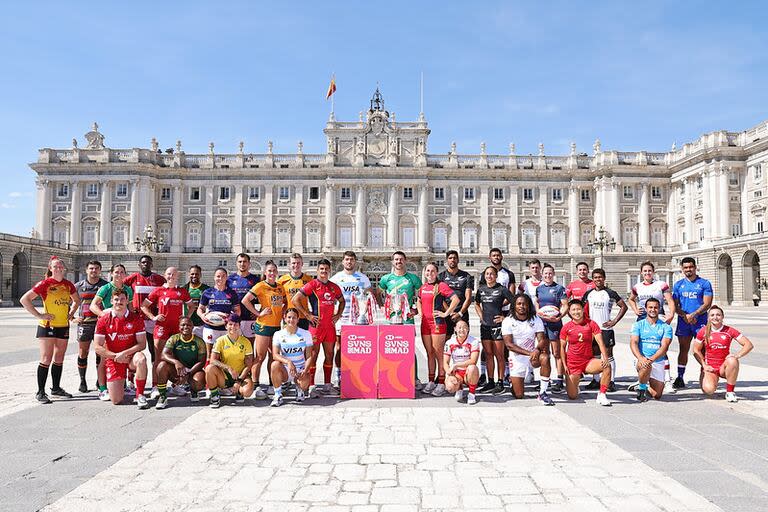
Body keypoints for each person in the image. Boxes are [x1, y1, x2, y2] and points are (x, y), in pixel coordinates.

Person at [20, 257, 81, 404]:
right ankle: (40, 392)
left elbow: (77, 300)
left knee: (59, 358)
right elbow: (25, 300)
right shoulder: (45, 284)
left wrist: (71, 314)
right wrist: (39, 315)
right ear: (50, 268)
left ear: (64, 268)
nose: (59, 268)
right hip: (47, 326)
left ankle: (56, 388)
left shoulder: (68, 285)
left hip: (63, 326)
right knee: (46, 359)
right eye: (55, 266)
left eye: (61, 265)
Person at [293, 259, 344, 397]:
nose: (324, 271)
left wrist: (338, 314)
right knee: (313, 356)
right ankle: (311, 386)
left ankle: (327, 385)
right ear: (317, 271)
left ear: (330, 270)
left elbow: (342, 301)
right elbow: (295, 299)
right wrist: (307, 314)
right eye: (321, 269)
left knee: (329, 355)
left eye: (326, 269)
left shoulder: (334, 286)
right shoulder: (313, 284)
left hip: (329, 326)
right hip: (315, 326)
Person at [93, 288, 150, 409]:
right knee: (116, 400)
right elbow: (97, 347)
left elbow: (142, 344)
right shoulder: (104, 319)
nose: (119, 302)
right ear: (111, 301)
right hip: (114, 359)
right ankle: (117, 385)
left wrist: (124, 354)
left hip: (130, 357)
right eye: (116, 299)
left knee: (141, 359)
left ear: (127, 300)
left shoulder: (136, 318)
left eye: (122, 299)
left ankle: (140, 395)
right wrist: (116, 356)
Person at [141, 267, 193, 399]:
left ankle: (175, 385)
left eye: (174, 274)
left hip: (176, 329)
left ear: (178, 276)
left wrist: (186, 317)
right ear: (165, 275)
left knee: (176, 358)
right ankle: (155, 386)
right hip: (161, 328)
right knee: (158, 358)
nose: (171, 276)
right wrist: (153, 317)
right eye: (169, 274)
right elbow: (143, 305)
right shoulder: (158, 290)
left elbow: (192, 306)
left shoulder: (182, 291)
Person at [627, 261, 676, 392]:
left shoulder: (660, 285)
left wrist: (671, 315)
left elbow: (670, 300)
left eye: (650, 270)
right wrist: (635, 310)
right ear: (641, 273)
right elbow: (631, 299)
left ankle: (667, 380)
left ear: (653, 272)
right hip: (643, 318)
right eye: (645, 271)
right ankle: (643, 379)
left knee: (661, 349)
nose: (647, 273)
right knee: (643, 348)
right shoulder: (637, 286)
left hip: (659, 317)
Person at [376, 251, 423, 387]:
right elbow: (378, 292)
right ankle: (391, 377)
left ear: (405, 260)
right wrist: (381, 305)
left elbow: (422, 294)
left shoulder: (412, 278)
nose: (398, 262)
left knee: (409, 349)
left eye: (401, 259)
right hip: (392, 319)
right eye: (396, 259)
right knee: (392, 348)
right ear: (392, 262)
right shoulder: (386, 279)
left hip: (407, 318)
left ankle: (415, 378)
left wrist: (415, 309)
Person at [241, 260, 286, 399]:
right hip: (263, 325)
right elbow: (245, 300)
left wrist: (283, 313)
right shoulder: (260, 286)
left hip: (277, 326)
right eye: (269, 271)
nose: (272, 273)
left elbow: (285, 303)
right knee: (260, 357)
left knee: (274, 357)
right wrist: (258, 313)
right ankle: (256, 385)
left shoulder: (280, 287)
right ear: (265, 273)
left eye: (274, 270)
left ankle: (273, 384)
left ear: (277, 272)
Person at [90, 263, 135, 400]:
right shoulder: (105, 288)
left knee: (126, 355)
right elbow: (93, 305)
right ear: (111, 274)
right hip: (109, 325)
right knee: (104, 357)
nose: (119, 274)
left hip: (124, 324)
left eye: (122, 272)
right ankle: (102, 388)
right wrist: (104, 316)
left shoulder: (128, 289)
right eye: (116, 272)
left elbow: (131, 308)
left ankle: (124, 385)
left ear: (125, 274)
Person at [501, 293, 554, 405]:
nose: (522, 306)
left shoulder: (536, 319)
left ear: (529, 306)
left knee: (544, 358)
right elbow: (509, 345)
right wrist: (529, 352)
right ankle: (513, 381)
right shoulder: (508, 321)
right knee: (519, 395)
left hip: (533, 356)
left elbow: (542, 340)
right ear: (514, 306)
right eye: (519, 304)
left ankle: (543, 393)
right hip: (517, 357)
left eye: (524, 304)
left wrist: (537, 350)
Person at [416, 262, 460, 396]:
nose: (430, 273)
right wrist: (420, 313)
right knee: (429, 353)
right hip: (425, 324)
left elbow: (456, 299)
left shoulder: (441, 286)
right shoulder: (423, 287)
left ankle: (441, 383)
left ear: (437, 273)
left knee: (438, 354)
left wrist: (446, 314)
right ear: (424, 273)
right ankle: (431, 382)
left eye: (433, 271)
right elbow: (419, 300)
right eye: (427, 271)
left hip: (437, 323)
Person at [693, 306, 753, 402]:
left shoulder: (729, 330)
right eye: (712, 315)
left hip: (723, 367)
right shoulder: (703, 331)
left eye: (718, 315)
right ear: (708, 317)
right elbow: (696, 350)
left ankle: (730, 392)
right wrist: (704, 365)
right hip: (710, 367)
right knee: (709, 391)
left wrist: (737, 355)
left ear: (722, 317)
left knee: (733, 360)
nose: (715, 317)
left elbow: (748, 345)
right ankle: (709, 377)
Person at [581, 268, 627, 392]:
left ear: (604, 278)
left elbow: (624, 306)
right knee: (595, 355)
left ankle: (611, 381)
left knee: (608, 355)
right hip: (592, 330)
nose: (598, 279)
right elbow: (580, 308)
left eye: (600, 277)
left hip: (606, 329)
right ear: (593, 279)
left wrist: (614, 321)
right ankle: (596, 380)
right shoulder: (588, 294)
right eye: (595, 277)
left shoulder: (610, 293)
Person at [330, 251, 372, 387]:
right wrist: (335, 313)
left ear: (355, 262)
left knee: (359, 347)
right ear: (343, 262)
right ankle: (338, 375)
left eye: (352, 260)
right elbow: (330, 298)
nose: (349, 262)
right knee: (339, 347)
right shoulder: (336, 278)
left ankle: (359, 374)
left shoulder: (363, 278)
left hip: (358, 319)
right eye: (347, 259)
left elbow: (369, 297)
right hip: (342, 318)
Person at [559, 300, 612, 406]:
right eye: (573, 310)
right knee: (572, 396)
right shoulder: (566, 327)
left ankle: (602, 394)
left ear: (583, 310)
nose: (576, 312)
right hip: (573, 363)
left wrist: (605, 358)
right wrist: (564, 366)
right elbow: (562, 348)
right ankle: (575, 382)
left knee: (607, 366)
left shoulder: (591, 324)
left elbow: (600, 342)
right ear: (569, 312)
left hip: (588, 361)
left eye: (578, 309)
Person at [124, 254, 166, 388]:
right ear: (139, 265)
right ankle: (130, 380)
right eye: (143, 262)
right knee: (133, 350)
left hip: (153, 321)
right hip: (137, 320)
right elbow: (119, 288)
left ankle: (156, 382)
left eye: (148, 262)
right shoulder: (133, 278)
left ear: (152, 265)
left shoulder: (159, 279)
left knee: (155, 351)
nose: (145, 264)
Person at [671, 257, 713, 389]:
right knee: (683, 349)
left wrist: (694, 314)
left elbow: (707, 303)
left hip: (700, 321)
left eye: (690, 267)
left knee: (704, 349)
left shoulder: (705, 283)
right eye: (685, 267)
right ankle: (680, 377)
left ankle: (706, 375)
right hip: (684, 321)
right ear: (682, 269)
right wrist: (685, 315)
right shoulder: (678, 285)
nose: (688, 269)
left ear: (695, 267)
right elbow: (674, 305)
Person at [474, 266, 515, 394]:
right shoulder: (481, 289)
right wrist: (481, 316)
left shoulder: (501, 289)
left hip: (498, 326)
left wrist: (505, 317)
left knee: (499, 355)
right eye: (487, 274)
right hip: (485, 326)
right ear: (484, 276)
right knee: (488, 354)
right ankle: (490, 382)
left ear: (496, 276)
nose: (489, 276)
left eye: (492, 274)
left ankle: (501, 382)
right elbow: (476, 303)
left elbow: (515, 302)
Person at [155, 317, 207, 408]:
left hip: (193, 370)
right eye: (183, 325)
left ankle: (193, 390)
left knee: (199, 383)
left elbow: (201, 362)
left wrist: (188, 373)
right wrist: (176, 362)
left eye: (188, 325)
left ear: (192, 327)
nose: (186, 327)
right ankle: (163, 396)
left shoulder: (199, 341)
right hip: (177, 371)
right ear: (179, 327)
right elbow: (163, 355)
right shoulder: (174, 338)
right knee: (161, 366)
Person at [269, 308, 317, 406]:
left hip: (300, 368)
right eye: (289, 317)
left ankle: (299, 389)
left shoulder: (306, 334)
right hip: (286, 369)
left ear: (298, 319)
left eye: (294, 318)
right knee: (274, 365)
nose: (291, 320)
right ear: (285, 318)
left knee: (304, 385)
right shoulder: (278, 334)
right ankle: (278, 395)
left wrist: (305, 370)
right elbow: (275, 355)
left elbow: (309, 356)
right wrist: (288, 362)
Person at [629, 298, 673, 402]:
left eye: (656, 307)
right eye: (650, 307)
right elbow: (633, 343)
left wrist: (651, 359)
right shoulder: (638, 325)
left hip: (657, 361)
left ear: (659, 309)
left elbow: (664, 347)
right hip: (642, 360)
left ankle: (641, 383)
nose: (653, 310)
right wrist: (641, 358)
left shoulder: (666, 327)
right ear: (646, 309)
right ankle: (641, 390)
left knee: (657, 395)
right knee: (646, 366)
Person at [205, 316, 255, 408]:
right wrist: (229, 368)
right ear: (226, 326)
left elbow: (249, 365)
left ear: (239, 326)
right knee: (209, 368)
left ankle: (238, 392)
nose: (233, 327)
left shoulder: (246, 342)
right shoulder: (220, 340)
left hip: (240, 374)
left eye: (236, 324)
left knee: (247, 392)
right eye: (230, 324)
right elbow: (212, 360)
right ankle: (215, 396)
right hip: (225, 375)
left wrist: (239, 381)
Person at [73, 260, 107, 393]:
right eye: (91, 268)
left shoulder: (105, 286)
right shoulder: (78, 286)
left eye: (96, 268)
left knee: (100, 353)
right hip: (85, 324)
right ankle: (82, 380)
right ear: (86, 270)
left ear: (100, 270)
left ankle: (100, 381)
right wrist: (72, 317)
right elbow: (67, 301)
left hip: (100, 325)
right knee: (83, 353)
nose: (94, 271)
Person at [534, 264, 568, 392]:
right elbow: (537, 302)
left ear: (553, 274)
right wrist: (538, 312)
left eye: (550, 273)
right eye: (545, 273)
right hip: (542, 324)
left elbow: (565, 305)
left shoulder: (559, 288)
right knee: (544, 353)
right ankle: (545, 380)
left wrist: (559, 316)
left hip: (555, 323)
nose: (548, 275)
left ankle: (559, 380)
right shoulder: (539, 289)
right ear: (542, 275)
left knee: (557, 353)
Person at [197, 268, 241, 360]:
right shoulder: (207, 292)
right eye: (218, 276)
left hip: (226, 329)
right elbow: (200, 309)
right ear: (214, 277)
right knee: (209, 356)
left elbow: (237, 311)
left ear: (226, 278)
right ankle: (209, 373)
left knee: (226, 356)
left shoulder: (232, 293)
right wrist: (202, 316)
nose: (220, 278)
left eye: (223, 276)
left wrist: (231, 319)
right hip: (210, 328)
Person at [438, 250, 474, 341]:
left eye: (454, 258)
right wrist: (449, 312)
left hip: (462, 313)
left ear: (458, 260)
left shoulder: (466, 276)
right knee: (445, 342)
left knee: (464, 340)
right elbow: (440, 298)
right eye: (450, 258)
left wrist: (460, 313)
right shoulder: (441, 277)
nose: (452, 260)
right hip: (446, 314)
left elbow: (468, 298)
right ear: (447, 261)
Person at [442, 320, 481, 405]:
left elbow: (473, 361)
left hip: (468, 372)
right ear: (455, 329)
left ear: (468, 329)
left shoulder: (474, 341)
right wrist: (448, 371)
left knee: (472, 367)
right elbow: (445, 362)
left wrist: (456, 365)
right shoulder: (449, 342)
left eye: (464, 327)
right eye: (459, 327)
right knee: (449, 387)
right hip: (457, 373)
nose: (462, 330)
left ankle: (471, 393)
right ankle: (459, 389)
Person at [227, 253, 261, 342]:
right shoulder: (229, 279)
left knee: (250, 344)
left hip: (249, 318)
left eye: (245, 261)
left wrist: (258, 312)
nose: (242, 264)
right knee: (233, 344)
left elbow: (263, 298)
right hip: (234, 318)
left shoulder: (255, 280)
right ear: (236, 263)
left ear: (249, 263)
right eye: (240, 261)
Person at [278, 253, 313, 330]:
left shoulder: (309, 280)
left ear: (302, 264)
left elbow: (314, 299)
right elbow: (276, 298)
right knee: (288, 341)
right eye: (293, 263)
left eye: (298, 263)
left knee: (302, 341)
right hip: (289, 317)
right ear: (289, 265)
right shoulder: (282, 280)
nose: (296, 265)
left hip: (303, 316)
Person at [184, 265, 209, 340]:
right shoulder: (184, 289)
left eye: (197, 274)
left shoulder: (206, 289)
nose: (194, 276)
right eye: (192, 274)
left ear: (200, 275)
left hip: (201, 324)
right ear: (189, 274)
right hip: (188, 324)